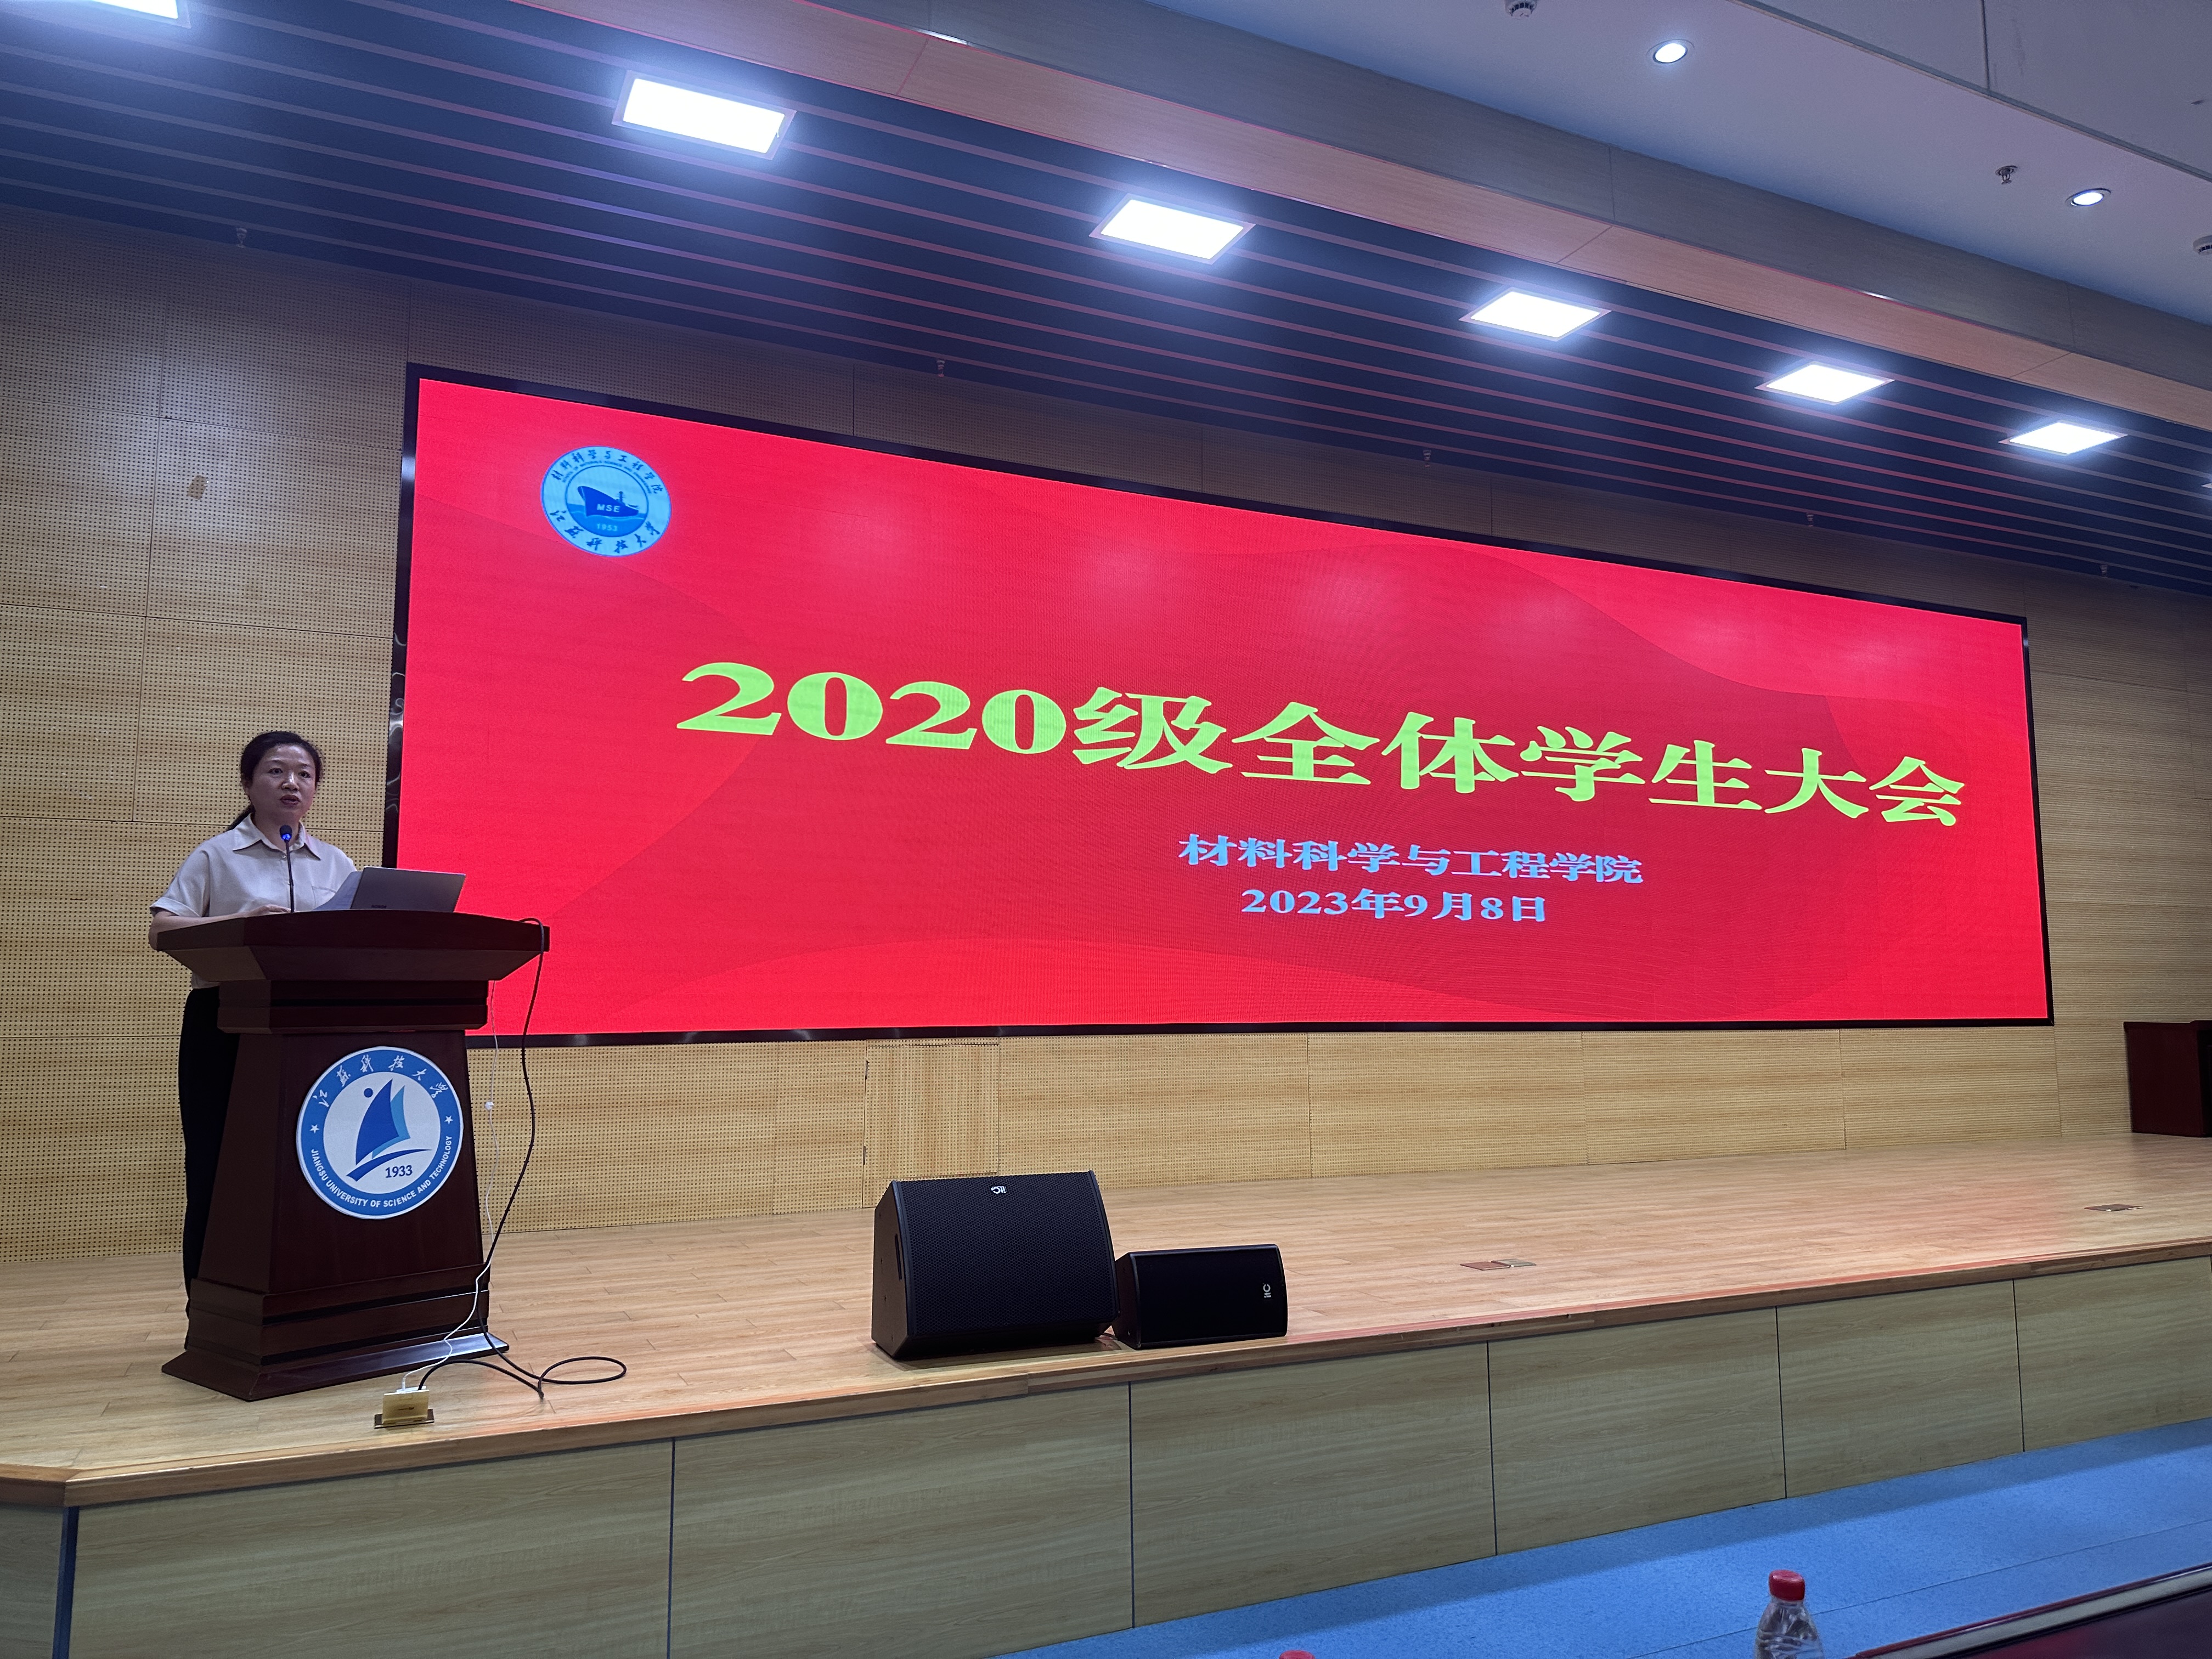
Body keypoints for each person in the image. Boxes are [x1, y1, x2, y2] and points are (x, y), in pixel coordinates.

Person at [150, 731, 359, 1287]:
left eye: (304, 774)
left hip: (312, 1028)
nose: (292, 783)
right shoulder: (217, 855)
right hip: (226, 1022)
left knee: (305, 1165)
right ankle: (213, 1301)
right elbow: (162, 929)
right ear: (248, 783)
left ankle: (299, 1291)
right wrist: (240, 924)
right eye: (276, 771)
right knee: (220, 1165)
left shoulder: (336, 863)